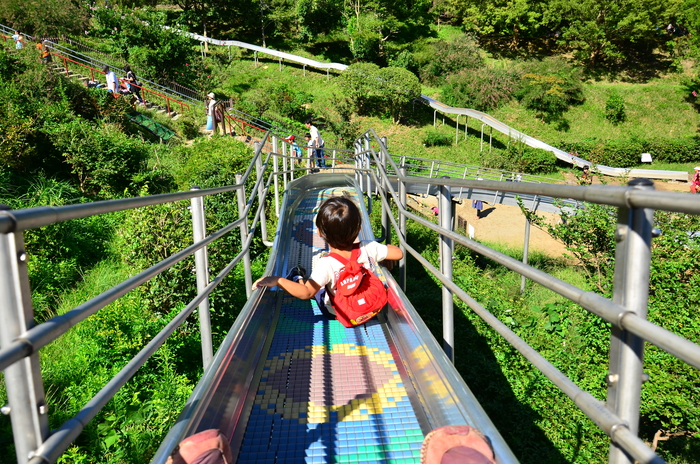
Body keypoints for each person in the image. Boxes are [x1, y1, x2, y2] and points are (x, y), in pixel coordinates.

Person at [252, 195, 403, 320]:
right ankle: (297, 276)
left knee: (318, 289)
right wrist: (384, 256)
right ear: (359, 228)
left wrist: (277, 280)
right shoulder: (369, 247)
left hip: (338, 313)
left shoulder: (326, 264)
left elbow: (306, 293)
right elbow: (398, 253)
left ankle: (296, 276)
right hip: (372, 307)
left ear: (319, 233)